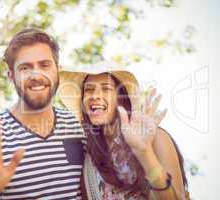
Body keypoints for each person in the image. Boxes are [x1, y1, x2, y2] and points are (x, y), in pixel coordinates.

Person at [0, 27, 86, 200]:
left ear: (58, 70)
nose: (36, 75)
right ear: (11, 76)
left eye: (45, 65)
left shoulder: (75, 125)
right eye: (25, 68)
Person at [58, 61, 189, 199]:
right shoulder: (88, 159)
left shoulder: (156, 139)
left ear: (122, 99)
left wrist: (145, 153)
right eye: (89, 89)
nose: (95, 95)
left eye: (106, 88)